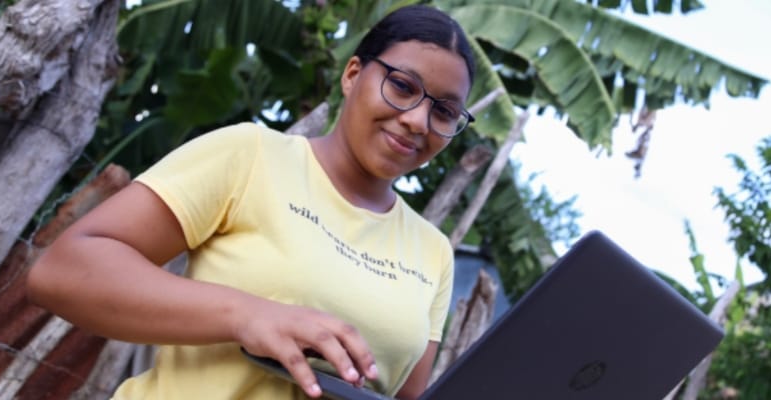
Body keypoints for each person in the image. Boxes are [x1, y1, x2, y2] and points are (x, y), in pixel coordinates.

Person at [26, 4, 476, 399]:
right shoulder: (252, 156)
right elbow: (62, 271)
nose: (418, 120)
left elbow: (406, 392)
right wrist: (248, 315)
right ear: (353, 74)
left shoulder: (433, 252)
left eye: (444, 112)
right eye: (402, 86)